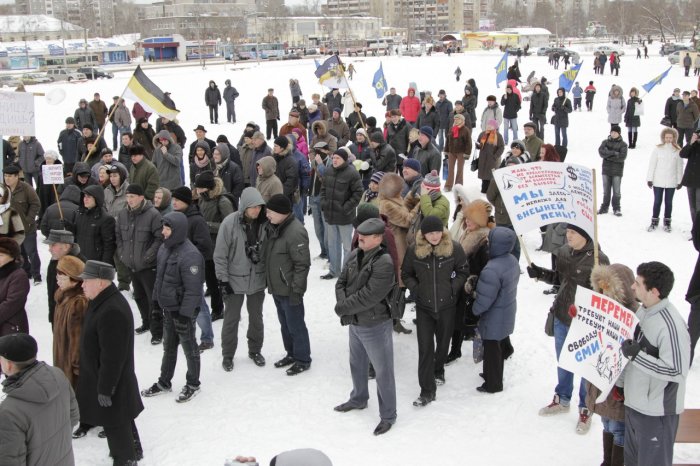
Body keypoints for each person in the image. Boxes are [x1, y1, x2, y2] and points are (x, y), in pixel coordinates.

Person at [526, 224, 610, 434]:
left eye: (573, 232)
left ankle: (585, 406)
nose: (567, 235)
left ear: (585, 235)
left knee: (583, 364)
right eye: (568, 232)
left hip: (585, 323)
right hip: (562, 315)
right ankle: (562, 398)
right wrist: (541, 273)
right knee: (564, 360)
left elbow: (607, 294)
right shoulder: (564, 251)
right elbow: (559, 279)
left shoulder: (599, 259)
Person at [619, 261, 690, 466]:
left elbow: (677, 370)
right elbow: (630, 354)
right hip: (635, 406)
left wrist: (637, 356)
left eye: (638, 284)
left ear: (654, 291)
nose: (632, 287)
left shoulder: (672, 326)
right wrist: (622, 384)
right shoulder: (643, 312)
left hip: (656, 414)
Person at [333, 218, 397, 436]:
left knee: (383, 371)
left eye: (366, 235)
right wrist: (344, 307)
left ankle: (388, 415)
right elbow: (340, 282)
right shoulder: (354, 254)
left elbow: (370, 296)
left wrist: (342, 308)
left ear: (378, 238)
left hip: (375, 324)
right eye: (360, 233)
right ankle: (359, 398)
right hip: (355, 322)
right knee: (357, 363)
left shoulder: (384, 262)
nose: (360, 237)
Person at [77, 260, 144, 465]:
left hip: (111, 381)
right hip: (109, 379)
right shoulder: (102, 301)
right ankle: (135, 449)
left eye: (86, 281)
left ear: (101, 282)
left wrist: (106, 388)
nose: (82, 285)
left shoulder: (111, 310)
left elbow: (112, 357)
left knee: (115, 423)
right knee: (121, 417)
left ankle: (126, 459)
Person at [401, 215, 468, 406]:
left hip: (447, 306)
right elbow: (406, 273)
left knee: (443, 344)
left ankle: (438, 369)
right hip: (424, 308)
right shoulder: (415, 250)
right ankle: (427, 391)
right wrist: (416, 289)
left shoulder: (454, 248)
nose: (435, 236)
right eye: (430, 233)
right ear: (424, 234)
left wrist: (453, 288)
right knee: (425, 348)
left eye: (438, 231)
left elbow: (463, 270)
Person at [142, 212, 205, 403]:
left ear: (177, 230)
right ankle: (164, 382)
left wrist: (184, 315)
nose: (163, 232)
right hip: (169, 309)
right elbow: (159, 280)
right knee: (168, 347)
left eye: (167, 229)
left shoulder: (191, 255)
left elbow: (194, 290)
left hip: (183, 312)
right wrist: (155, 303)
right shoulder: (164, 248)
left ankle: (193, 383)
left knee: (189, 347)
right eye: (163, 228)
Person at [585, 263, 638, 466]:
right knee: (607, 424)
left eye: (607, 286)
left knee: (618, 429)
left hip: (618, 387)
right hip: (602, 382)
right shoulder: (599, 311)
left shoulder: (632, 316)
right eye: (599, 286)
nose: (602, 291)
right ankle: (607, 461)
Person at [0, 333, 79, 466]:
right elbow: (74, 416)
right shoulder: (58, 375)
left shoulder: (9, 411)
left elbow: (9, 460)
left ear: (8, 365)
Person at [214, 187, 268, 372]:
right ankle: (228, 355)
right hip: (234, 281)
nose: (256, 211)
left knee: (256, 318)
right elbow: (220, 255)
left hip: (257, 280)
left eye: (259, 207)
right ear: (244, 206)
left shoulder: (265, 224)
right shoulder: (229, 224)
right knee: (231, 319)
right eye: (253, 207)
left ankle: (255, 350)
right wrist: (223, 280)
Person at [262, 194, 312, 376]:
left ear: (282, 212)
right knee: (285, 324)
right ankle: (291, 353)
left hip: (290, 289)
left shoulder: (295, 231)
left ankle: (303, 358)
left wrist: (297, 290)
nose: (267, 215)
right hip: (277, 287)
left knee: (296, 325)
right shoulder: (275, 227)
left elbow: (302, 264)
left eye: (270, 211)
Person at [472, 226, 519, 393]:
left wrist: (475, 310)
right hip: (506, 311)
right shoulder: (512, 260)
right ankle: (490, 374)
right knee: (496, 346)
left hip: (493, 316)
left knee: (492, 349)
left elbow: (485, 299)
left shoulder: (492, 269)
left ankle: (493, 384)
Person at [447, 199, 495, 363]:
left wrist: (471, 284)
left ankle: (455, 350)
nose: (467, 221)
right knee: (459, 319)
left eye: (471, 219)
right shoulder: (469, 233)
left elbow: (485, 269)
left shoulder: (483, 240)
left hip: (469, 288)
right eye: (467, 218)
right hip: (461, 283)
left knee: (461, 320)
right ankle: (456, 349)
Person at [115, 183, 163, 343]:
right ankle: (146, 322)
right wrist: (123, 254)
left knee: (153, 299)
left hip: (148, 265)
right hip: (131, 264)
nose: (129, 200)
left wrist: (149, 256)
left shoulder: (153, 214)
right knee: (139, 296)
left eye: (132, 197)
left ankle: (158, 330)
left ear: (141, 197)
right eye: (127, 197)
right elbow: (119, 236)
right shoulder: (122, 214)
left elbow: (159, 238)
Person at [170, 186, 215, 353]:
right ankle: (186, 335)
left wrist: (190, 264)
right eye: (173, 199)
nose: (174, 202)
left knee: (199, 304)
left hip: (192, 270)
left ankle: (207, 337)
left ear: (187, 202)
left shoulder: (196, 220)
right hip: (176, 269)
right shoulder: (174, 218)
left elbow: (205, 248)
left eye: (178, 199)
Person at [195, 170, 233, 321]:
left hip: (219, 246)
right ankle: (217, 307)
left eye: (200, 188)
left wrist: (206, 225)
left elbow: (229, 224)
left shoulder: (222, 201)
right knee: (210, 278)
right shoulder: (202, 199)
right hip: (205, 245)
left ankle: (224, 308)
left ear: (208, 188)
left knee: (220, 279)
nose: (197, 191)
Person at [319, 149, 363, 280]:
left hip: (345, 217)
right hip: (330, 215)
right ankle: (334, 270)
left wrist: (346, 208)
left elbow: (358, 193)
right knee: (332, 244)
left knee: (347, 246)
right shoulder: (328, 171)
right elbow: (323, 190)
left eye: (337, 158)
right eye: (333, 158)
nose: (334, 160)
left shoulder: (352, 173)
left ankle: (346, 273)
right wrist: (324, 204)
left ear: (344, 159)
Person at [4, 164, 41, 285]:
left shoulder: (26, 188)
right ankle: (27, 272)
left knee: (31, 252)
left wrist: (29, 220)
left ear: (16, 177)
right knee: (19, 252)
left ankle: (37, 275)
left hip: (27, 228)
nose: (7, 178)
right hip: (12, 229)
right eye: (5, 176)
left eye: (10, 176)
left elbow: (36, 203)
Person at [646, 128, 683, 233]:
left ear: (674, 138)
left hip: (671, 181)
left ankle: (667, 222)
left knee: (668, 202)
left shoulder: (677, 150)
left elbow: (680, 167)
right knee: (657, 201)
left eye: (670, 137)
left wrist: (680, 181)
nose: (668, 139)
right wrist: (650, 179)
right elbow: (652, 164)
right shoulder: (658, 149)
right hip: (658, 180)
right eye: (666, 137)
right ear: (663, 138)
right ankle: (654, 221)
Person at [74, 184, 116, 264]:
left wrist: (104, 265)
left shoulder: (106, 219)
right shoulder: (80, 214)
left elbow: (109, 246)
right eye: (84, 196)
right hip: (79, 261)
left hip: (96, 263)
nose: (85, 199)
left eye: (89, 197)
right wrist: (70, 227)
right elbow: (76, 238)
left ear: (97, 199)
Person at [0, 237, 29, 336]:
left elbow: (12, 303)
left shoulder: (18, 275)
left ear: (12, 256)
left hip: (11, 328)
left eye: (1, 255)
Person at [598, 125, 629, 216]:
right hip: (606, 170)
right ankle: (604, 207)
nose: (613, 134)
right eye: (612, 132)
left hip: (617, 171)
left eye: (615, 132)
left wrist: (608, 156)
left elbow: (622, 157)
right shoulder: (605, 142)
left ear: (619, 133)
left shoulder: (623, 144)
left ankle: (616, 208)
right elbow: (601, 152)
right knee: (606, 191)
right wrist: (614, 153)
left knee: (616, 191)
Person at [475, 119, 505, 194]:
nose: (488, 126)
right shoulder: (482, 134)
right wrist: (478, 145)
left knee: (490, 175)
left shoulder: (498, 136)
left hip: (492, 159)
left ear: (495, 127)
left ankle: (489, 190)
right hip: (483, 158)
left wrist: (495, 156)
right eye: (488, 124)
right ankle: (484, 189)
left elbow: (501, 147)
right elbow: (479, 144)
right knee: (483, 174)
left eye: (491, 125)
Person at [444, 113, 472, 192]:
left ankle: (458, 186)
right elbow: (447, 141)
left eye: (458, 119)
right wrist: (446, 151)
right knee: (450, 169)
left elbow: (468, 143)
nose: (456, 121)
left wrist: (467, 153)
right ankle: (448, 185)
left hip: (461, 152)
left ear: (462, 120)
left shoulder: (465, 130)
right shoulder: (451, 129)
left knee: (460, 170)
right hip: (451, 152)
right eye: (455, 119)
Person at [680, 131, 700, 222]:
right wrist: (691, 142)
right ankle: (695, 231)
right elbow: (682, 154)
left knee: (698, 207)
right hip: (690, 180)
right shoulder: (693, 145)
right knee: (692, 208)